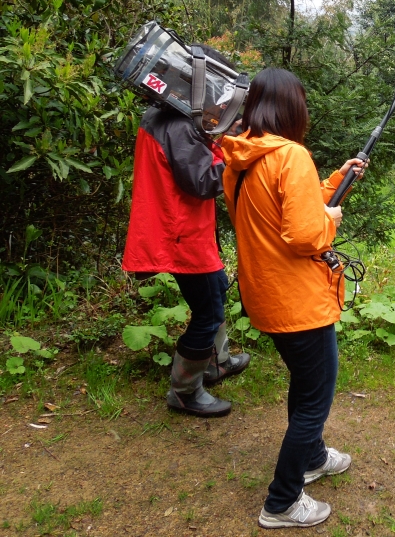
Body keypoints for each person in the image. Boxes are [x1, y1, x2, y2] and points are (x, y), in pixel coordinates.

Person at [220, 67, 367, 530]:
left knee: (306, 387)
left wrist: (336, 181)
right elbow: (306, 232)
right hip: (298, 301)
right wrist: (333, 218)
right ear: (292, 107)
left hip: (266, 296)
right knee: (315, 399)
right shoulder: (291, 154)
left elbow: (279, 213)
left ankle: (315, 458)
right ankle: (282, 501)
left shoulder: (241, 159)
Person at [122, 44, 250, 419]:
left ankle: (216, 362)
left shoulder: (166, 116)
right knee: (208, 311)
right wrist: (237, 156)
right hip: (181, 234)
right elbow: (204, 181)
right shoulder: (180, 126)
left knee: (214, 293)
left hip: (183, 228)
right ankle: (185, 391)